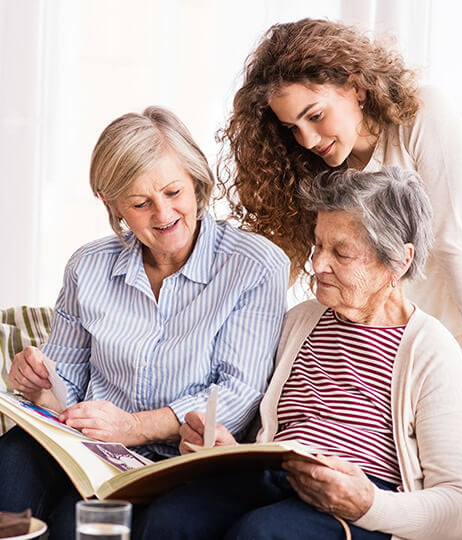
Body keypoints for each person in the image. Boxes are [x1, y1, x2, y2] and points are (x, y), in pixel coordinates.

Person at [0, 106, 289, 538]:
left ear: (196, 181)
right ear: (111, 203)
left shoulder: (255, 265)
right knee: (9, 465)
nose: (163, 214)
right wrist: (39, 383)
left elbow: (238, 392)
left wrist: (133, 428)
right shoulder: (88, 266)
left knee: (73, 525)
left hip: (185, 457)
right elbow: (65, 391)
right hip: (91, 449)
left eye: (174, 192)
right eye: (140, 203)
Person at [138, 167, 462, 540]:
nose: (317, 264)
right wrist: (226, 448)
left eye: (341, 253)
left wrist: (368, 504)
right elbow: (265, 432)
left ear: (398, 261)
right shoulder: (301, 320)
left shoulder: (431, 349)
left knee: (262, 534)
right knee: (169, 518)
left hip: (360, 498)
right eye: (318, 245)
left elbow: (457, 507)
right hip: (275, 475)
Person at [218, 17, 462, 348]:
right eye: (292, 127)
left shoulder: (422, 116)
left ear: (356, 87)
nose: (307, 139)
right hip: (375, 347)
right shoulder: (314, 169)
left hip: (446, 339)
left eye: (315, 116)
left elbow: (454, 243)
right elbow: (280, 268)